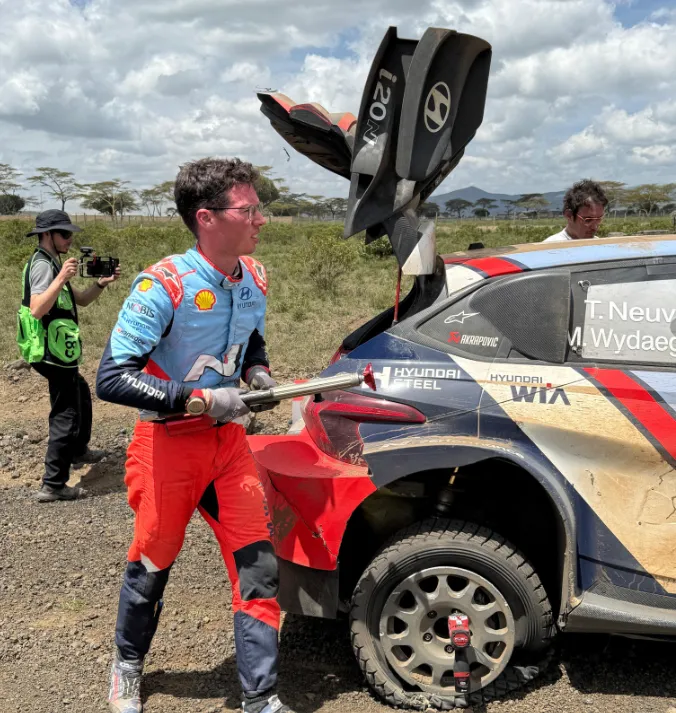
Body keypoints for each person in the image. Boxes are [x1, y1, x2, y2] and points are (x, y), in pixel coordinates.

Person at [96, 158, 292, 713]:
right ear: (206, 218)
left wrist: (257, 374)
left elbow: (251, 339)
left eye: (260, 208)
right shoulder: (164, 285)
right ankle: (127, 667)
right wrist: (197, 397)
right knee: (154, 559)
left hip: (228, 445)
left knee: (257, 565)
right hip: (167, 446)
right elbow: (111, 377)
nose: (260, 220)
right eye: (248, 209)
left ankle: (261, 698)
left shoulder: (254, 276)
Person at [17, 209, 119, 502]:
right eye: (64, 234)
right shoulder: (43, 266)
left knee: (80, 390)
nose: (69, 239)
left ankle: (78, 451)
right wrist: (61, 276)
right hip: (49, 350)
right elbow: (37, 309)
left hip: (58, 349)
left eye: (70, 233)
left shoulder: (53, 263)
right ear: (46, 235)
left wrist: (100, 283)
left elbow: (82, 301)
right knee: (66, 413)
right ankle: (54, 483)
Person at [543, 179, 608, 242]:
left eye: (598, 219)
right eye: (588, 220)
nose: (595, 227)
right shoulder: (551, 247)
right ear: (569, 215)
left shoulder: (598, 245)